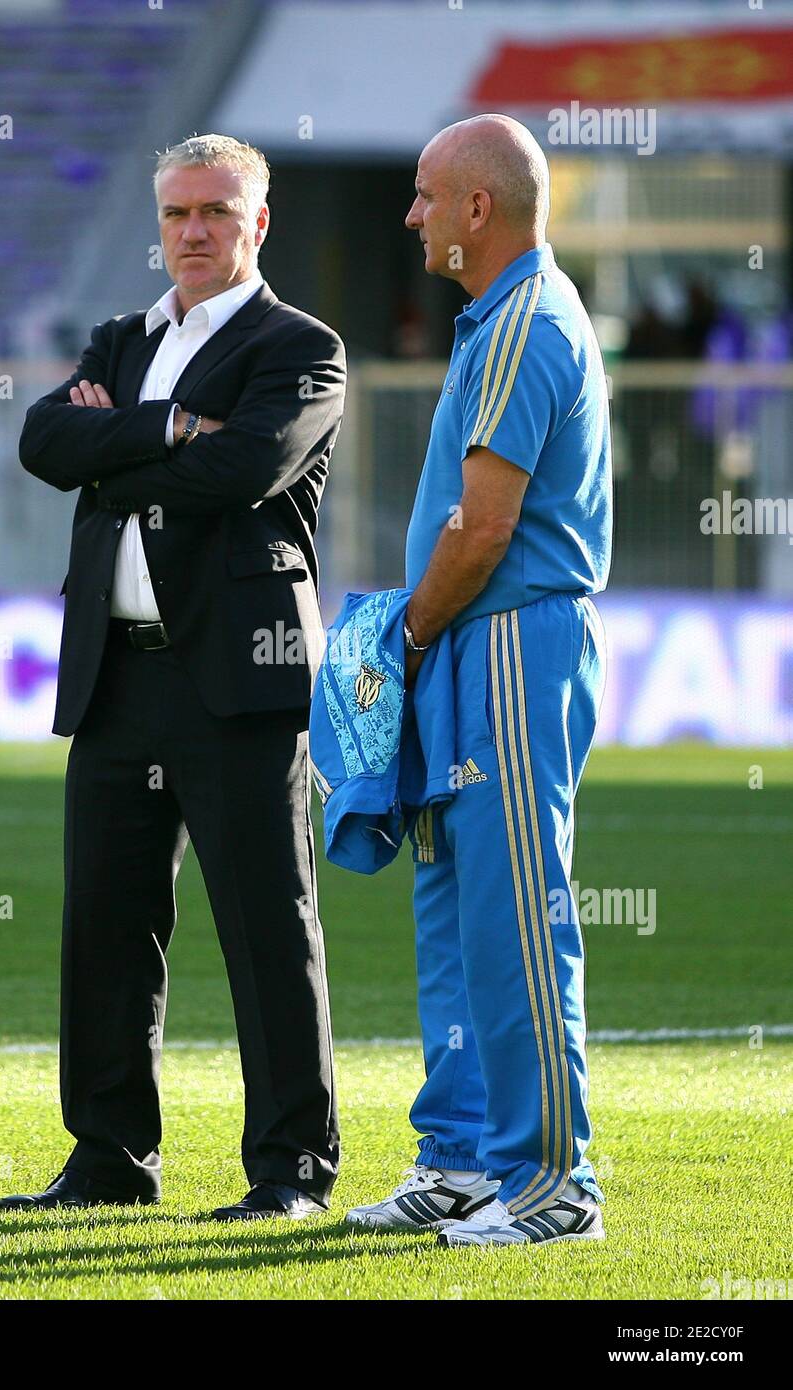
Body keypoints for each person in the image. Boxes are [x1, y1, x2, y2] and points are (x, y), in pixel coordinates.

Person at [0, 135, 345, 1220]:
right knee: (103, 923)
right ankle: (107, 1159)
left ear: (258, 222)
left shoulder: (301, 344)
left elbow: (244, 467)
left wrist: (124, 452)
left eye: (215, 211)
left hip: (238, 675)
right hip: (116, 672)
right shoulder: (122, 335)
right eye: (175, 214)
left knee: (266, 922)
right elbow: (45, 442)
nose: (192, 231)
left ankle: (288, 1169)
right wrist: (165, 428)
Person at [346, 115, 613, 1247]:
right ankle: (460, 1160)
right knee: (454, 910)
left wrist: (398, 637)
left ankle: (553, 1185)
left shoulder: (519, 322)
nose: (407, 214)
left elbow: (484, 526)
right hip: (470, 643)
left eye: (421, 195)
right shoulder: (492, 321)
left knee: (512, 913)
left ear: (475, 211)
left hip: (503, 640)